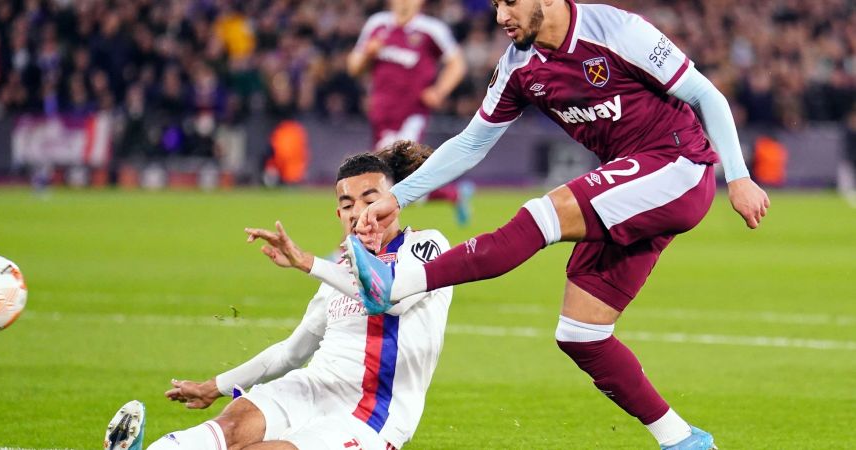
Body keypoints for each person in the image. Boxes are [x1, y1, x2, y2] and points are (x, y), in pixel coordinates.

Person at [344, 1, 771, 449]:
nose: (500, 17)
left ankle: (396, 284)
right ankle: (684, 440)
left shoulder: (617, 29)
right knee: (582, 334)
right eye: (494, 5)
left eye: (509, 2)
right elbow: (471, 143)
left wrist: (738, 177)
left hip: (677, 164)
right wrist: (399, 196)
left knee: (541, 215)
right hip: (630, 186)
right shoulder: (518, 67)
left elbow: (707, 95)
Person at [103, 142, 453, 450]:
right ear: (339, 214)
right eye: (347, 204)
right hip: (311, 389)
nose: (358, 212)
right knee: (232, 425)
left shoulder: (425, 245)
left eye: (370, 200)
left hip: (369, 418)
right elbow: (290, 352)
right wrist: (216, 386)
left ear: (395, 203)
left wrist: (307, 262)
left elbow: (390, 296)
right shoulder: (338, 275)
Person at [348, 0, 474, 225]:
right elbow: (354, 66)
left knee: (384, 178)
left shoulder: (431, 29)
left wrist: (439, 91)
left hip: (410, 115)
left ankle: (358, 242)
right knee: (397, 181)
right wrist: (369, 54)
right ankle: (453, 194)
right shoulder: (377, 24)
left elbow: (457, 63)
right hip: (381, 115)